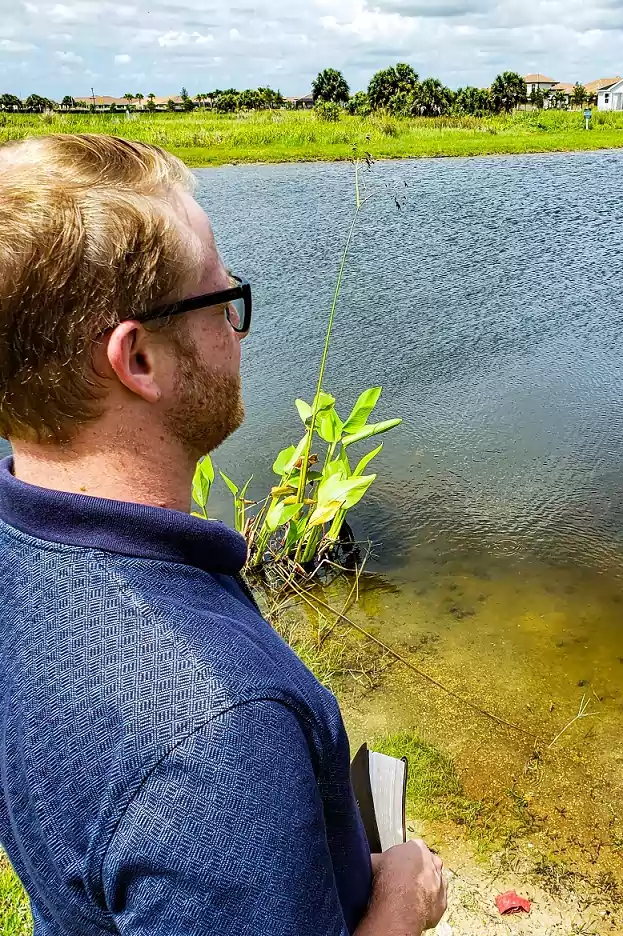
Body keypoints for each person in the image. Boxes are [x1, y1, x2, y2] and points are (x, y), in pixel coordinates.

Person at [0, 134, 447, 936]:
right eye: (220, 300)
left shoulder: (17, 543)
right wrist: (398, 910)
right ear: (137, 357)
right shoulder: (216, 729)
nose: (238, 332)